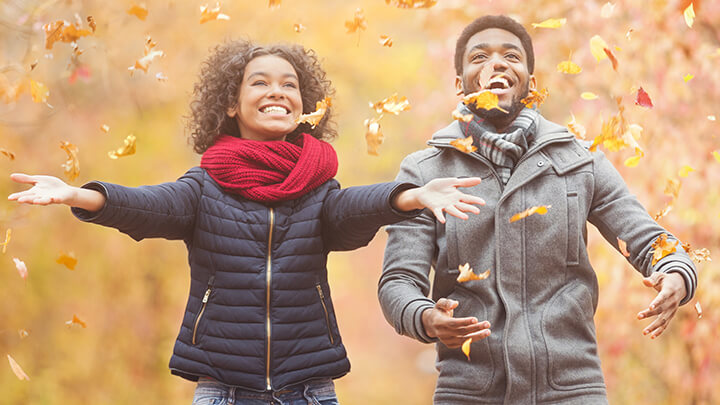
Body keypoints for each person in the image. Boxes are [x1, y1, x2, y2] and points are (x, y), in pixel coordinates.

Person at [8, 40, 486, 405]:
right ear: (231, 105)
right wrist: (79, 194)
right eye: (259, 82)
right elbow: (148, 205)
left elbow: (352, 209)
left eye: (290, 84)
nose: (277, 91)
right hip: (223, 390)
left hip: (310, 389)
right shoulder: (204, 187)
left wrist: (409, 195)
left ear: (306, 106)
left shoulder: (319, 188)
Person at [378, 15, 697, 405]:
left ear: (530, 81)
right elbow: (398, 281)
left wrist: (675, 274)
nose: (496, 63)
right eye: (479, 57)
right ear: (460, 83)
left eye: (511, 56)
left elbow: (652, 243)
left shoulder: (581, 162)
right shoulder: (425, 171)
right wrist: (425, 317)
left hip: (573, 391)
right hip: (468, 392)